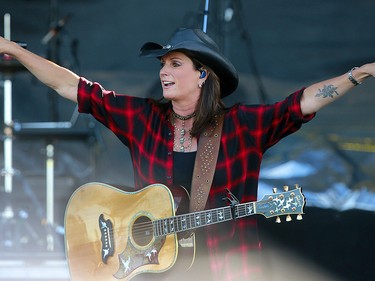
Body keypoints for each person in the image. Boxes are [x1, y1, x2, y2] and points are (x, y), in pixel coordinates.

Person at [0, 27, 374, 280]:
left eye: (174, 64)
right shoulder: (144, 118)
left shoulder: (242, 125)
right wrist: (14, 50)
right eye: (163, 64)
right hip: (153, 270)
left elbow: (302, 103)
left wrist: (359, 74)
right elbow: (74, 88)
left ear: (202, 75)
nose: (164, 71)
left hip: (224, 269)